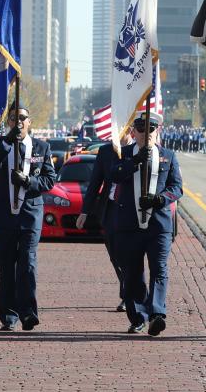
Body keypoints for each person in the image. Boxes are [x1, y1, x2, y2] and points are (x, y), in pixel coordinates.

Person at [107, 107, 182, 336]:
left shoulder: (168, 156)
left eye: (151, 128)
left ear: (157, 131)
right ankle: (139, 316)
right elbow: (113, 175)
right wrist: (135, 161)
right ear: (133, 131)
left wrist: (160, 199)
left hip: (158, 225)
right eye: (141, 128)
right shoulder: (124, 153)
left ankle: (158, 313)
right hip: (129, 225)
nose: (146, 133)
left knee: (159, 268)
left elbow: (176, 187)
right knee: (133, 273)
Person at [0, 105, 56, 332]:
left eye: (23, 118)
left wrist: (27, 181)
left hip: (30, 214)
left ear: (30, 122)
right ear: (10, 123)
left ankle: (28, 313)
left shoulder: (42, 147)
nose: (19, 122)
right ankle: (8, 315)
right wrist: (6, 142)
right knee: (6, 267)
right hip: (4, 214)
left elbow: (49, 181)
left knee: (27, 264)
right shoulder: (0, 144)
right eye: (14, 119)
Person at [77, 132, 134, 312]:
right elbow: (95, 183)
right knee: (115, 254)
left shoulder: (138, 151)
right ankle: (127, 286)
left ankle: (128, 295)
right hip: (110, 209)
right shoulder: (105, 151)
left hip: (131, 211)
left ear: (130, 129)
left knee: (129, 255)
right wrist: (84, 211)